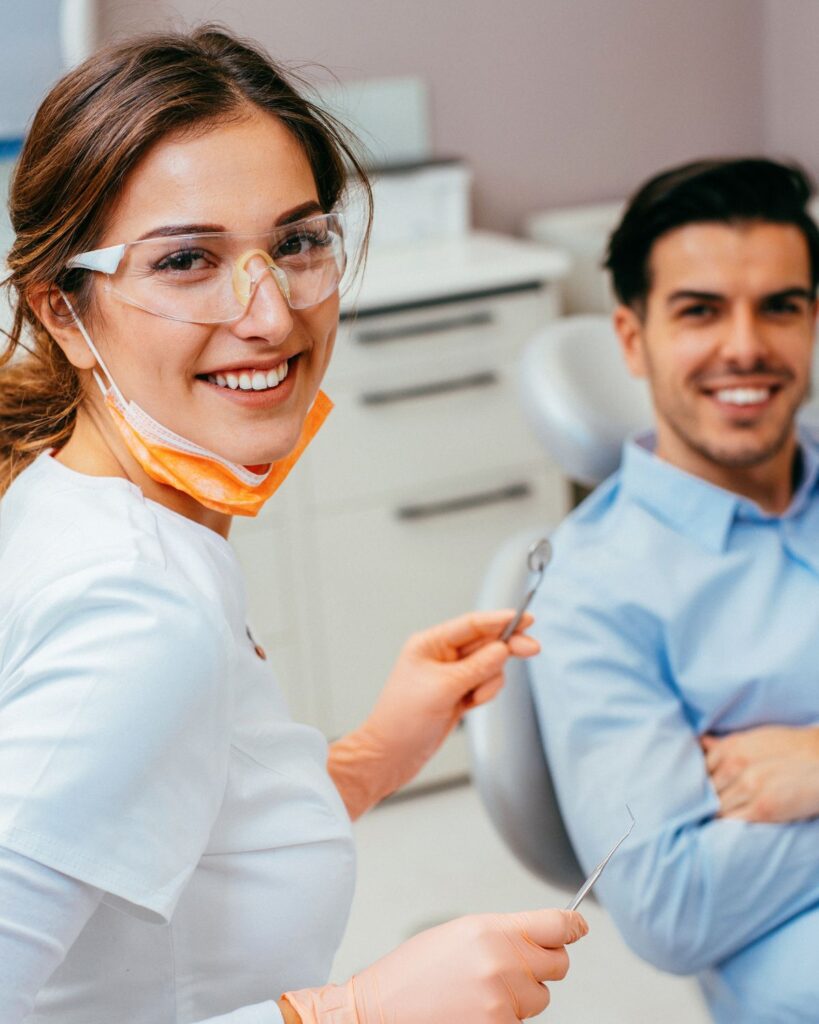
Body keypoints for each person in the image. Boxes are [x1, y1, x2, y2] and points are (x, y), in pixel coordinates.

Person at [0, 26, 588, 1024]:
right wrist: (350, 1011)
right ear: (65, 309)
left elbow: (154, 837)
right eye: (188, 259)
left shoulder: (75, 500)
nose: (269, 314)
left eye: (297, 241)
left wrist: (369, 755)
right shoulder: (139, 614)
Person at [529, 158, 819, 1023]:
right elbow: (669, 906)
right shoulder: (590, 592)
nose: (744, 346)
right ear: (631, 337)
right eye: (699, 311)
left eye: (780, 306)